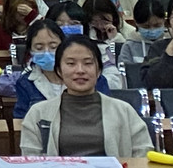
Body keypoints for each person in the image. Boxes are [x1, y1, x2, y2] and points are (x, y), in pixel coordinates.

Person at [20, 36, 152, 157]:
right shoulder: (38, 113)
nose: (80, 70)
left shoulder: (123, 111)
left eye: (88, 63)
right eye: (71, 63)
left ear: (99, 70)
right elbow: (31, 162)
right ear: (59, 70)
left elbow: (142, 153)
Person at [12, 19, 108, 118]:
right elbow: (20, 119)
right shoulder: (25, 83)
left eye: (53, 47)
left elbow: (107, 113)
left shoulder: (91, 78)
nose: (47, 52)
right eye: (39, 48)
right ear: (30, 51)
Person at [121, 0, 170, 65]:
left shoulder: (172, 42)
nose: (152, 30)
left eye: (157, 25)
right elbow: (123, 68)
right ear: (136, 23)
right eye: (146, 26)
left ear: (164, 20)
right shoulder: (129, 46)